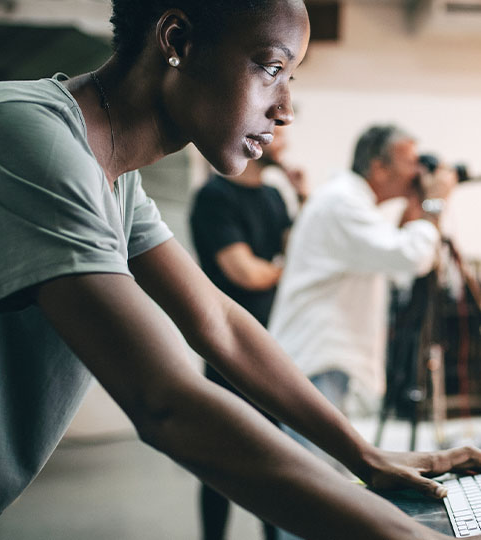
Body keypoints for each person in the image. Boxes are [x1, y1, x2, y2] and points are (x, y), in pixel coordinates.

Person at [0, 1, 481, 539]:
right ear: (177, 42)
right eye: (272, 67)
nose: (287, 109)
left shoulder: (112, 180)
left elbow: (221, 326)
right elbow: (163, 398)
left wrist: (366, 456)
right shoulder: (20, 134)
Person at [268, 125, 450, 435]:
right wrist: (434, 204)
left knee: (325, 468)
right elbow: (411, 257)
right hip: (317, 362)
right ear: (379, 168)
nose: (419, 172)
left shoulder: (350, 201)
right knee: (316, 474)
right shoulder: (342, 203)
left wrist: (418, 208)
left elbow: (398, 265)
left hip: (322, 359)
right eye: (411, 162)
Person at [190, 124, 303, 540]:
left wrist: (302, 195)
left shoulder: (275, 196)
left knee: (276, 459)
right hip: (229, 346)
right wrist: (287, 272)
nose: (287, 143)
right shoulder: (214, 196)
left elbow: (297, 248)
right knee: (220, 462)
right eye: (280, 135)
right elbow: (246, 272)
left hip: (274, 345)